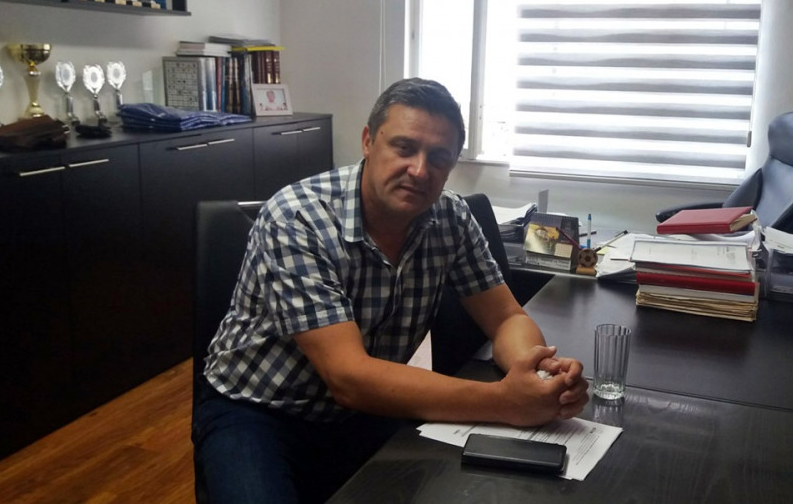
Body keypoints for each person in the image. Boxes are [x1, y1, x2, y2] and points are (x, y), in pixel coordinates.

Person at [192, 77, 589, 503]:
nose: (419, 170)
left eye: (438, 157)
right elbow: (348, 376)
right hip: (259, 411)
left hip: (368, 410)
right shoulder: (297, 219)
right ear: (368, 141)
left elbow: (506, 317)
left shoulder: (451, 218)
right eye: (404, 147)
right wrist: (505, 401)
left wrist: (535, 372)